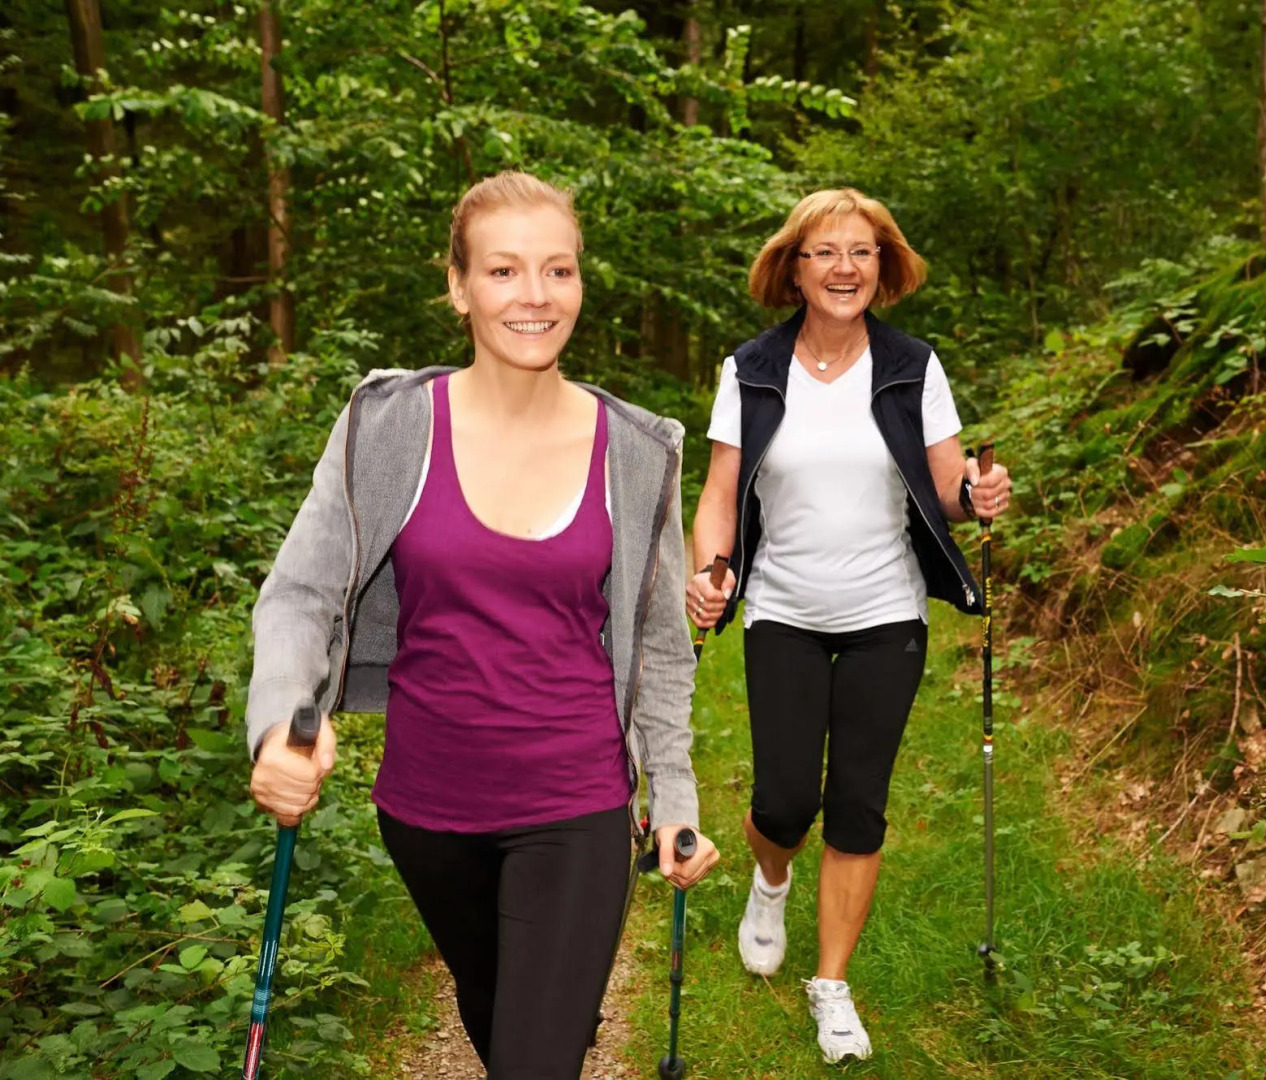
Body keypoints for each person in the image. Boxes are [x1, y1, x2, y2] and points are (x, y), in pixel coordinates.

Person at [245, 170, 718, 1079]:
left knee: (535, 1060)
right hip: (429, 811)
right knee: (502, 1008)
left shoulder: (633, 449)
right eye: (503, 272)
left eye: (558, 271)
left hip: (575, 801)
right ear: (459, 287)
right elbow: (302, 593)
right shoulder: (388, 427)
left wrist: (675, 794)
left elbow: (660, 640)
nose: (535, 296)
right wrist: (278, 726)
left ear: (582, 281)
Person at [686, 188, 1012, 1063]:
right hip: (783, 611)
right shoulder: (751, 369)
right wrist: (706, 571)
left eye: (861, 252)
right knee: (783, 801)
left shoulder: (912, 365)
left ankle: (830, 985)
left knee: (858, 804)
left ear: (883, 265)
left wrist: (977, 496)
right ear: (793, 267)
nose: (844, 268)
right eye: (824, 252)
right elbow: (721, 494)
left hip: (885, 613)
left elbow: (945, 486)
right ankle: (771, 875)